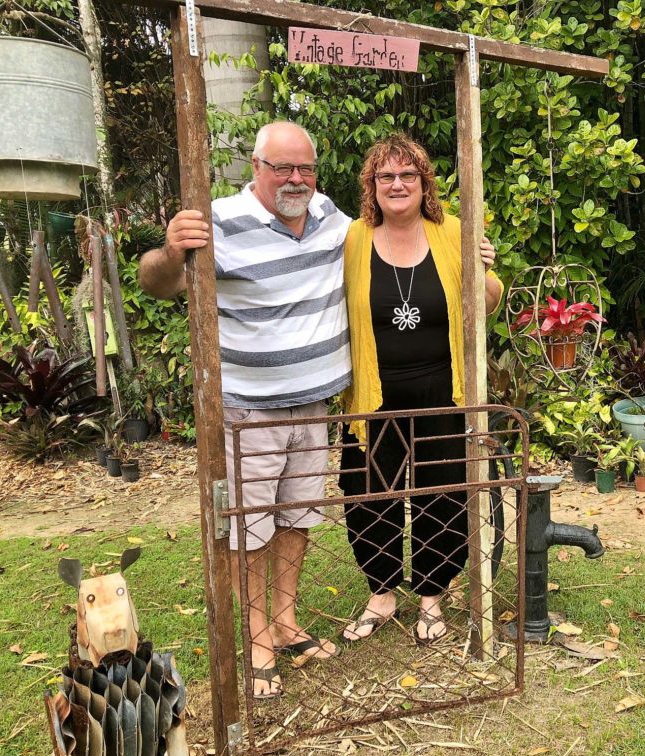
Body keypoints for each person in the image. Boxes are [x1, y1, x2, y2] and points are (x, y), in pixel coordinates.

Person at [139, 122, 347, 699]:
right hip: (250, 411)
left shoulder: (330, 216)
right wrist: (171, 250)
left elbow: (394, 239)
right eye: (282, 167)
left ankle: (285, 622)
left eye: (305, 168)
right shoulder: (218, 222)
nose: (296, 179)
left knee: (298, 516)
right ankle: (256, 638)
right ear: (255, 167)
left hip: (314, 407)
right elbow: (156, 284)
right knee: (250, 525)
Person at [339, 134, 502, 645]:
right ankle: (382, 593)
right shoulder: (353, 239)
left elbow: (487, 304)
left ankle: (432, 593)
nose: (397, 184)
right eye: (385, 176)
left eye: (407, 174)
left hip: (442, 393)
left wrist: (485, 271)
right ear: (372, 185)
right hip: (374, 394)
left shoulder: (454, 232)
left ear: (424, 182)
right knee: (368, 495)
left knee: (443, 494)